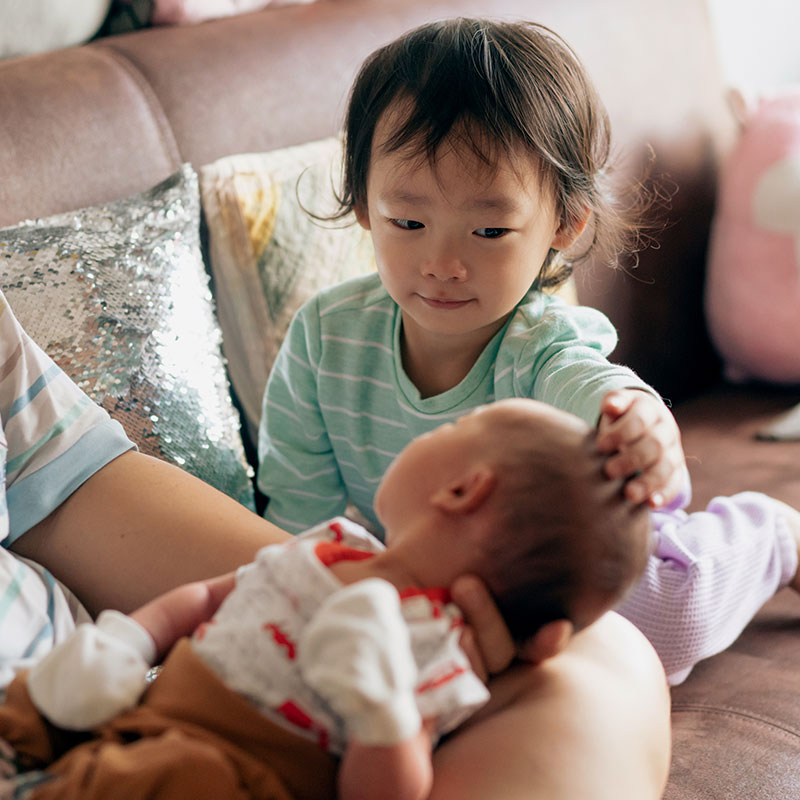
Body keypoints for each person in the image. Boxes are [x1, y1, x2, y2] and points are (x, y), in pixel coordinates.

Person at [255, 17, 797, 685]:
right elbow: (294, 521)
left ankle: (772, 537)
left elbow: (594, 387)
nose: (443, 263)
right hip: (425, 577)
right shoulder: (322, 339)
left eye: (489, 229)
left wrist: (636, 425)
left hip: (559, 559)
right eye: (408, 222)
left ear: (563, 227)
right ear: (365, 206)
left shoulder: (541, 345)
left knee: (661, 619)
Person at [0, 286, 671, 798]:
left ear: (463, 492)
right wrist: (131, 641)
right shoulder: (329, 548)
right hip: (141, 708)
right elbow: (207, 600)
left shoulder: (432, 640)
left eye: (440, 434)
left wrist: (383, 711)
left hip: (218, 764)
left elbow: (387, 790)